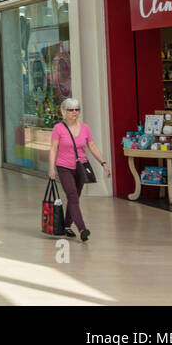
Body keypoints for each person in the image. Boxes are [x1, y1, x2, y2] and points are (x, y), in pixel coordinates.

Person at [49, 97, 111, 242]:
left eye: (77, 109)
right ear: (64, 112)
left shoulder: (85, 128)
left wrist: (104, 163)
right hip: (64, 167)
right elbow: (53, 149)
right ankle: (82, 228)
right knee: (72, 196)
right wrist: (51, 168)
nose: (75, 113)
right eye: (71, 110)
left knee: (75, 197)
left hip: (81, 167)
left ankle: (66, 225)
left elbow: (92, 146)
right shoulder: (58, 128)